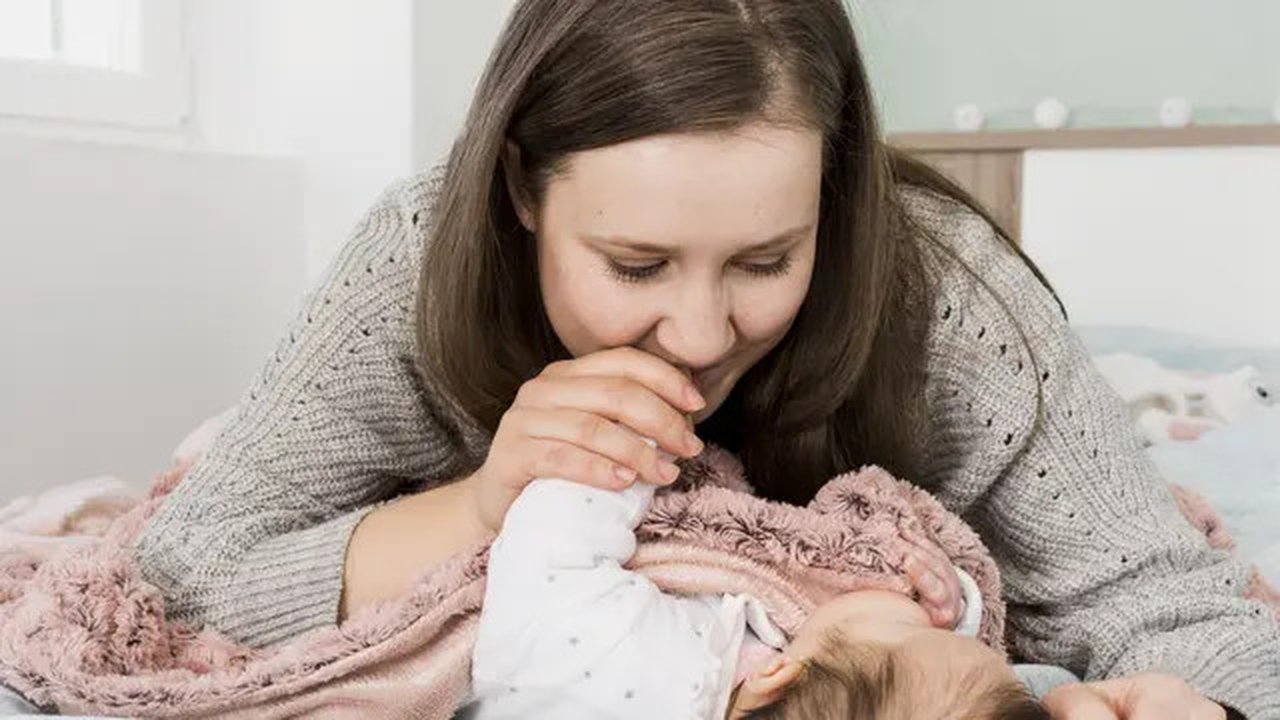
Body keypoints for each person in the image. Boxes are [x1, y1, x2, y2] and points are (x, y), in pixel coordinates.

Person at [127, 0, 1278, 717]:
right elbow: (183, 571)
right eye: (634, 265)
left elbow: (1166, 603)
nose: (698, 335)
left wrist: (1199, 708)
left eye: (765, 261)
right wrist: (484, 503)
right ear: (521, 190)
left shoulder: (951, 301)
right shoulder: (418, 259)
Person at [469, 462, 1039, 719]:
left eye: (914, 622)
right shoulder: (789, 691)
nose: (924, 610)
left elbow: (551, 542)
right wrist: (960, 608)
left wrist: (637, 441)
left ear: (774, 674)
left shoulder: (627, 666)